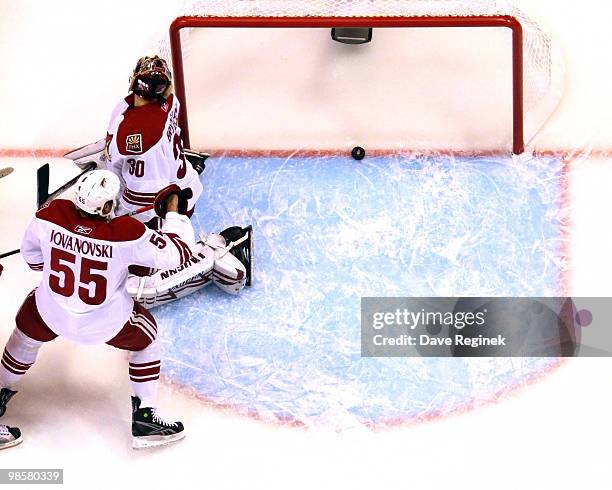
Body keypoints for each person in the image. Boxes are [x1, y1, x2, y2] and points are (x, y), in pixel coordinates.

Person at [0, 169, 195, 449]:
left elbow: (32, 258)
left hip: (50, 310)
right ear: (104, 207)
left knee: (25, 333)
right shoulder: (126, 233)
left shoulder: (51, 214)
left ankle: (1, 392)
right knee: (148, 339)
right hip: (103, 323)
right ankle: (145, 415)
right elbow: (179, 253)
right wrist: (173, 213)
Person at [105, 55, 203, 229]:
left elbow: (147, 199)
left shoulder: (137, 135)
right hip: (188, 182)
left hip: (169, 207)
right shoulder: (172, 101)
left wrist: (113, 206)